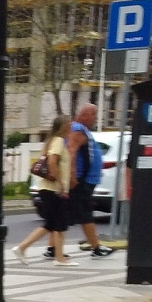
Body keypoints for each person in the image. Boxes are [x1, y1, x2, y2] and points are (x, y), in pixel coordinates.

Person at [51, 103, 114, 259]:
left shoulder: (79, 129)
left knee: (63, 214)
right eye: (94, 114)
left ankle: (52, 248)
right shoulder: (78, 130)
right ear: (85, 115)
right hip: (81, 181)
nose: (95, 118)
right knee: (85, 214)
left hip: (82, 179)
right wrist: (72, 177)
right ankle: (97, 248)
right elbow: (71, 152)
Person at [12, 115, 74, 266]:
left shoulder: (54, 141)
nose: (72, 126)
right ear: (64, 126)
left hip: (48, 189)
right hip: (53, 189)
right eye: (69, 124)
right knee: (59, 223)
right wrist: (60, 183)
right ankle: (59, 258)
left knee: (51, 224)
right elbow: (52, 162)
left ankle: (22, 248)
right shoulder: (58, 141)